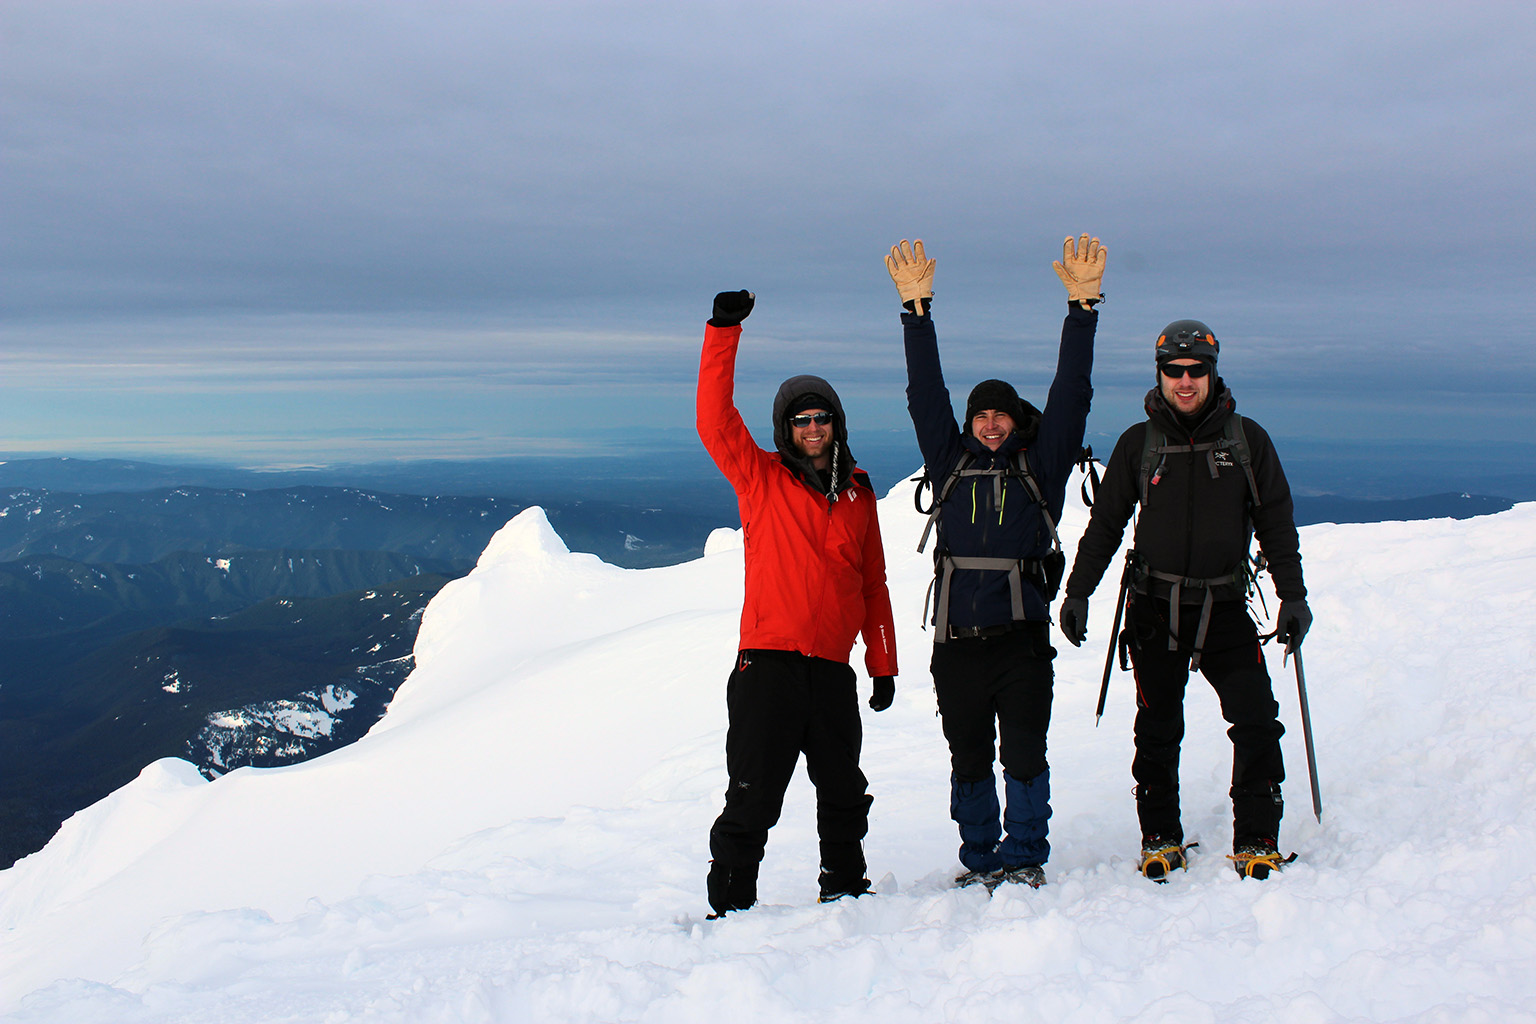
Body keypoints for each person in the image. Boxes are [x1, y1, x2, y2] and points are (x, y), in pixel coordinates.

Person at [1057, 319, 1313, 880]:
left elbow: (1276, 524)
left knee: (1254, 721)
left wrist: (1292, 596)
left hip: (1225, 606)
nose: (1186, 381)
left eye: (1196, 370)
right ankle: (1160, 837)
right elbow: (1105, 526)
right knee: (1156, 727)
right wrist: (1078, 591)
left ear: (1213, 373)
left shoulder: (1247, 441)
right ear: (1161, 375)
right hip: (1154, 608)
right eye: (1174, 371)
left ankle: (1256, 838)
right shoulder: (1138, 444)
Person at [885, 234, 1104, 889]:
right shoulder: (949, 464)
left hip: (1021, 642)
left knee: (1026, 754)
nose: (987, 424)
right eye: (979, 414)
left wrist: (1082, 311)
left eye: (998, 415)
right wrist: (917, 314)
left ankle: (1024, 857)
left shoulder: (1041, 468)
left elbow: (1072, 395)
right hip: (956, 645)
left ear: (1015, 423)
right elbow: (926, 394)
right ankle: (980, 860)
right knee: (970, 756)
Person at [696, 288, 899, 916]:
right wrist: (723, 330)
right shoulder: (759, 478)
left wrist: (883, 663)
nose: (813, 430)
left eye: (822, 419)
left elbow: (873, 584)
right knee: (754, 793)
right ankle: (731, 903)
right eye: (801, 421)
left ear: (837, 424)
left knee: (843, 787)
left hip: (832, 671)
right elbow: (714, 419)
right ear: (786, 429)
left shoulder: (859, 496)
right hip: (769, 665)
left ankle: (845, 887)